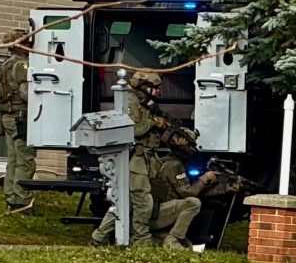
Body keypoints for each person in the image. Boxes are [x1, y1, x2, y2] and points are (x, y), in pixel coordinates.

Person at [91, 71, 166, 247]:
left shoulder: (146, 103)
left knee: (126, 202)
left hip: (145, 159)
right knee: (142, 201)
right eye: (153, 88)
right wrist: (154, 122)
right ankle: (141, 240)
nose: (156, 92)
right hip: (135, 159)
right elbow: (133, 130)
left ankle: (99, 237)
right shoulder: (131, 101)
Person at [148, 150, 241, 249]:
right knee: (193, 203)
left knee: (187, 244)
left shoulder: (170, 163)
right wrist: (204, 178)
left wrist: (223, 188)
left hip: (157, 213)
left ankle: (166, 239)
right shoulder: (173, 165)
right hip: (155, 215)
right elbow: (189, 193)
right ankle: (173, 239)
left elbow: (196, 191)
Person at [0, 28, 37, 215]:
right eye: (28, 42)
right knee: (25, 160)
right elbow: (27, 93)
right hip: (21, 117)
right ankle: (22, 201)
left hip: (7, 117)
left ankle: (11, 198)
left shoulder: (4, 65)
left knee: (13, 159)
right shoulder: (22, 65)